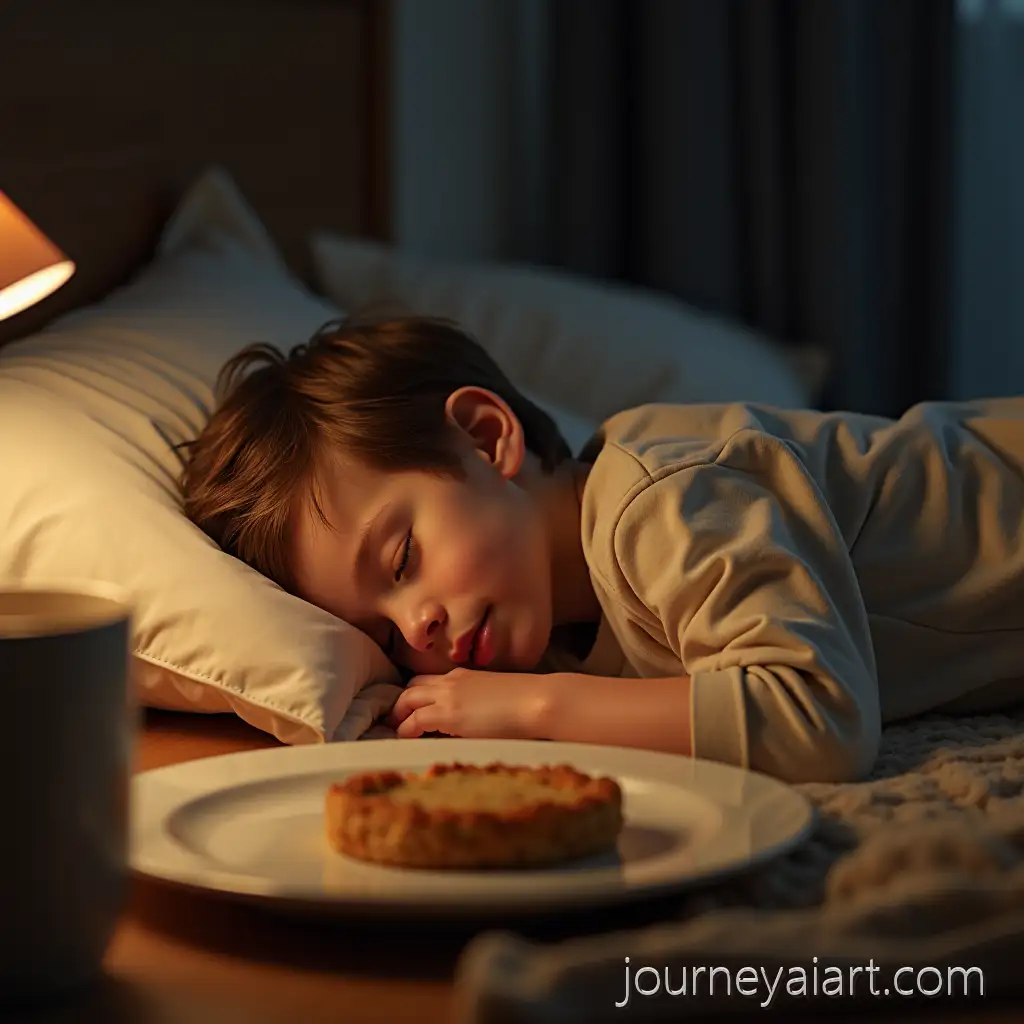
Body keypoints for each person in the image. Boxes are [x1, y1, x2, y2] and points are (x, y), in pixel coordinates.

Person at [179, 316, 1024, 784]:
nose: (418, 628)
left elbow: (821, 720)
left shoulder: (662, 500)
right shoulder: (553, 635)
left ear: (484, 439)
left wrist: (536, 714)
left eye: (401, 561)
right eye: (385, 632)